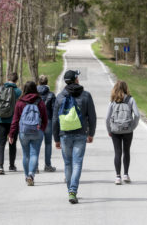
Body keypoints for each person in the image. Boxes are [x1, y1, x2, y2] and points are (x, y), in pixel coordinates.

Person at [53, 70, 96, 204]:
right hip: (80, 133)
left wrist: (56, 138)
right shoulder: (86, 95)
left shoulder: (60, 97)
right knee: (77, 163)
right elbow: (92, 116)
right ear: (76, 79)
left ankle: (70, 191)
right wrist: (91, 133)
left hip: (65, 134)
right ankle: (73, 190)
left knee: (67, 163)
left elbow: (55, 119)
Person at [9, 81, 48, 186]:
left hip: (24, 132)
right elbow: (45, 118)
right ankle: (31, 174)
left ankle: (27, 176)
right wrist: (42, 129)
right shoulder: (40, 101)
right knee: (34, 154)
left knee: (26, 155)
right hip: (37, 131)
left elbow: (15, 120)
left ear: (24, 89)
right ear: (35, 89)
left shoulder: (20, 102)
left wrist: (11, 134)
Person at [106, 81, 140, 185]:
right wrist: (132, 127)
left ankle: (117, 177)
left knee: (117, 152)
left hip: (115, 130)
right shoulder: (130, 99)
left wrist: (109, 130)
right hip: (128, 130)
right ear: (126, 88)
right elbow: (137, 115)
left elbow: (107, 118)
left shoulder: (112, 101)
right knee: (126, 151)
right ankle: (125, 174)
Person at [0, 72, 22, 175]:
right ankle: (11, 165)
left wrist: (0, 112)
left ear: (7, 78)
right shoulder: (18, 91)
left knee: (1, 142)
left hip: (1, 120)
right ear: (16, 80)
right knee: (12, 142)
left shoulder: (0, 89)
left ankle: (0, 166)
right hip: (13, 121)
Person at [37, 75, 56, 172]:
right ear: (47, 83)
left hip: (36, 121)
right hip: (48, 120)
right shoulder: (51, 95)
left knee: (36, 144)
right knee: (48, 143)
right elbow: (54, 110)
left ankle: (35, 166)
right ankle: (47, 165)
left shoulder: (34, 94)